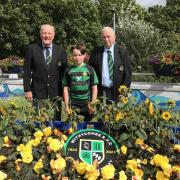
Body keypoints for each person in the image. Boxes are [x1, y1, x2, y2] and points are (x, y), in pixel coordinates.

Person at [23, 24, 68, 120]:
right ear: (40, 34)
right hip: (37, 92)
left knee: (55, 121)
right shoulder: (32, 49)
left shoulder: (61, 50)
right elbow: (26, 71)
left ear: (54, 35)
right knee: (38, 120)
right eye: (44, 33)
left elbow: (65, 73)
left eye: (49, 33)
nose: (47, 36)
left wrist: (65, 92)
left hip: (55, 93)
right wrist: (27, 90)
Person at [89, 27, 132, 101]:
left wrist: (123, 93)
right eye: (104, 37)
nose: (106, 39)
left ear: (114, 37)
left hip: (118, 93)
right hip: (100, 93)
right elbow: (90, 72)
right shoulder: (96, 53)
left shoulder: (123, 52)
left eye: (108, 36)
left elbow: (128, 74)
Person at [63, 43, 99, 121]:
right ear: (72, 56)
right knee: (73, 127)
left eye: (80, 55)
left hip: (87, 104)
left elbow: (94, 88)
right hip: (73, 104)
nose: (77, 57)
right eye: (75, 55)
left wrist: (92, 104)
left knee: (87, 128)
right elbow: (65, 89)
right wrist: (66, 106)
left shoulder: (90, 69)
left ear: (84, 55)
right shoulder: (68, 70)